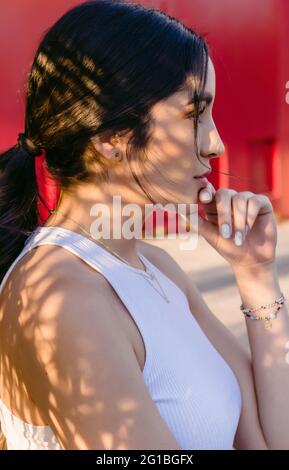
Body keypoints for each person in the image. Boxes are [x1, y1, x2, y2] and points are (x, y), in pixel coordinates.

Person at [0, 0, 288, 450]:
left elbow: (272, 439)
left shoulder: (155, 267)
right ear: (111, 138)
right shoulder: (61, 296)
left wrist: (255, 277)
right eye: (194, 115)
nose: (216, 143)